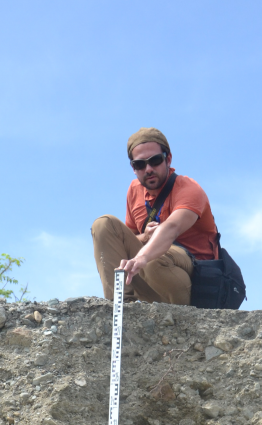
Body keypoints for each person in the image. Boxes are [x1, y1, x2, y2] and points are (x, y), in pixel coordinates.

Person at [91, 128, 218, 304]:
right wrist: (145, 237)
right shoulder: (134, 191)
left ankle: (183, 317)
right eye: (140, 164)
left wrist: (143, 256)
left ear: (168, 159)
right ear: (133, 168)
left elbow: (172, 227)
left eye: (155, 161)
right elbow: (127, 239)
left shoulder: (189, 189)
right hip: (150, 279)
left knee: (155, 258)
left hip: (193, 284)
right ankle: (120, 307)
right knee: (104, 225)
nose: (148, 169)